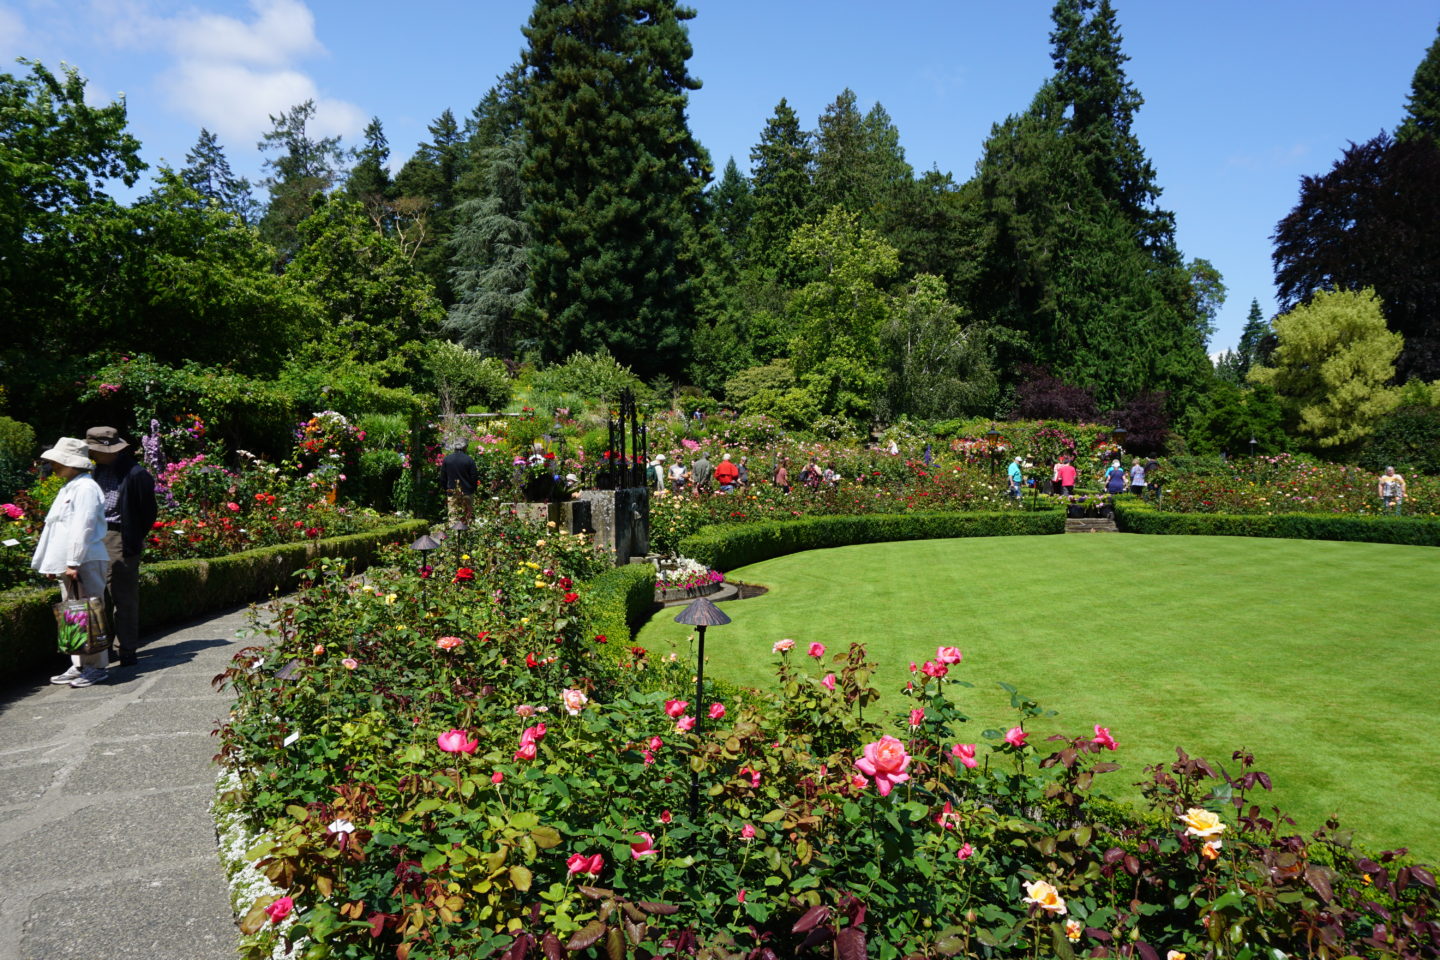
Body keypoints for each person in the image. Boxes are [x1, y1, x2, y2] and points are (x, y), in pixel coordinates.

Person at [33, 438, 112, 687]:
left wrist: (73, 562)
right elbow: (58, 529)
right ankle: (79, 664)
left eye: (58, 461)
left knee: (89, 612)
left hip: (85, 560)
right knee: (74, 614)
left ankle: (96, 666)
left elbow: (83, 527)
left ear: (72, 462)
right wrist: (53, 564)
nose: (54, 465)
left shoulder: (86, 488)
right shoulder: (71, 487)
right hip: (74, 562)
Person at [85, 426, 157, 669]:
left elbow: (148, 512)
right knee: (97, 595)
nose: (92, 454)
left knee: (123, 596)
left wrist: (133, 537)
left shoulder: (136, 474)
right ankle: (103, 649)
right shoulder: (93, 470)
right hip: (94, 535)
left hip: (119, 536)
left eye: (95, 450)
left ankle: (126, 648)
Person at [439, 440, 478, 525]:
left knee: (453, 516)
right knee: (467, 516)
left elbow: (443, 478)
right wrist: (473, 489)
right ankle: (467, 532)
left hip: (452, 492)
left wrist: (447, 489)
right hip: (467, 492)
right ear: (465, 447)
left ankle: (454, 532)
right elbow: (474, 477)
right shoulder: (469, 460)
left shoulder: (447, 459)